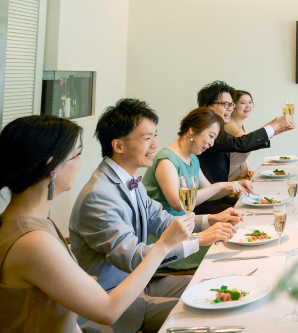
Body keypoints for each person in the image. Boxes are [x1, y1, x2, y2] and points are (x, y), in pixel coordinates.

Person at [0, 115, 193, 333]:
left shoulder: (30, 224)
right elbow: (108, 310)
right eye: (77, 154)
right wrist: (163, 246)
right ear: (50, 166)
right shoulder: (33, 241)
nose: (81, 163)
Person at [69, 99, 240, 333]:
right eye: (147, 138)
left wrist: (210, 220)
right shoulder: (99, 196)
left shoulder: (132, 182)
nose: (155, 144)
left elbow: (164, 222)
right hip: (116, 303)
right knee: (215, 313)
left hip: (144, 285)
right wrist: (199, 240)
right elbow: (132, 258)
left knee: (221, 284)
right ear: (118, 146)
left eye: (155, 136)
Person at [141, 108, 253, 271]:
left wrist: (235, 185)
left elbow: (209, 192)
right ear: (192, 130)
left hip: (185, 230)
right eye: (211, 136)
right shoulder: (166, 160)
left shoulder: (192, 158)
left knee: (233, 237)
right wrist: (220, 185)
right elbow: (178, 203)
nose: (212, 143)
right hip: (165, 240)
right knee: (228, 247)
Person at [195, 81, 295, 189]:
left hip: (222, 190)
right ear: (207, 106)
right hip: (213, 197)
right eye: (225, 104)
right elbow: (242, 143)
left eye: (231, 104)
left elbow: (243, 143)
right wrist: (275, 125)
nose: (230, 108)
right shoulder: (206, 129)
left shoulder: (217, 126)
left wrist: (274, 130)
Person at [222, 90, 255, 181]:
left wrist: (247, 167)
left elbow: (244, 149)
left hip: (242, 175)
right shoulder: (229, 124)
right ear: (233, 105)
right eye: (243, 103)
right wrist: (274, 126)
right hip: (232, 178)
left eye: (250, 102)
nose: (248, 106)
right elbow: (247, 142)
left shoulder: (241, 122)